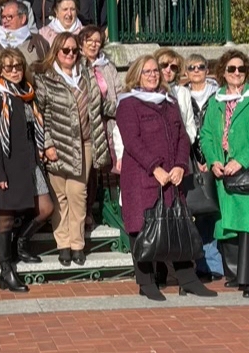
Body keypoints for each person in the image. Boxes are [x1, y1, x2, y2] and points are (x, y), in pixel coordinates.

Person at [116, 55, 217, 301]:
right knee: (141, 229)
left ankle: (188, 279)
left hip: (172, 177)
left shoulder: (168, 101)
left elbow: (182, 136)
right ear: (136, 75)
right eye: (147, 71)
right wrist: (155, 168)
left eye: (155, 71)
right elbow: (132, 141)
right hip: (141, 177)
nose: (152, 75)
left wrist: (181, 166)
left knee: (178, 225)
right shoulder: (128, 104)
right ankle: (146, 282)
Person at [200, 50, 249, 299]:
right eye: (231, 69)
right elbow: (206, 134)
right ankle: (234, 274)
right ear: (223, 72)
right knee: (228, 225)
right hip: (223, 173)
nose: (237, 73)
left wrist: (240, 160)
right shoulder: (216, 100)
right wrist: (213, 160)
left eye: (241, 69)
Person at [35, 33, 110, 266]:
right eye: (65, 50)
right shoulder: (45, 79)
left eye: (74, 50)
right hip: (57, 145)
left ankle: (77, 244)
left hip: (84, 143)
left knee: (78, 193)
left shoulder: (87, 75)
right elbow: (40, 115)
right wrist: (47, 144)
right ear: (56, 51)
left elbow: (99, 107)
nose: (70, 54)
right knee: (60, 197)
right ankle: (63, 244)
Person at [0, 49, 41, 292]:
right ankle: (6, 271)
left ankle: (18, 245)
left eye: (18, 66)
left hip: (29, 160)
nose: (15, 71)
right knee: (5, 218)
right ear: (0, 70)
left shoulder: (26, 94)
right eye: (9, 67)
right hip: (6, 165)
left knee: (46, 207)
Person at [185, 53, 223, 281]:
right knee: (196, 209)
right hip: (190, 159)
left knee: (212, 211)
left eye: (201, 67)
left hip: (215, 158)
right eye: (192, 67)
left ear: (207, 70)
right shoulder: (180, 94)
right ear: (186, 72)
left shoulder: (218, 94)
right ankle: (199, 263)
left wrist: (211, 157)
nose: (197, 70)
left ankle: (213, 264)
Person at [78, 26, 120, 227]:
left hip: (107, 124)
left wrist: (109, 108)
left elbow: (118, 94)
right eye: (90, 40)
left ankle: (100, 211)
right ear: (81, 43)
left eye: (97, 41)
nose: (94, 44)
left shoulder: (108, 67)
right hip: (86, 125)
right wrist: (99, 106)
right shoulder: (77, 66)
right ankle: (84, 212)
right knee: (87, 170)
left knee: (100, 168)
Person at [0, 0, 49, 92]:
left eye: (9, 17)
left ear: (23, 18)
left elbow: (48, 73)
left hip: (35, 95)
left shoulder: (39, 42)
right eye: (3, 17)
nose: (4, 21)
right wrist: (0, 93)